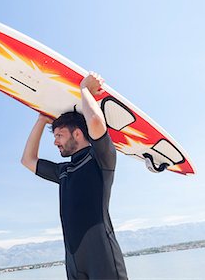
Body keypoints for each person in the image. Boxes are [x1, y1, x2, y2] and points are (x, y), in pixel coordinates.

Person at [21, 72, 128, 280]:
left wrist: (85, 90)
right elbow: (27, 160)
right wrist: (42, 121)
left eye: (59, 135)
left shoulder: (100, 159)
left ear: (77, 134)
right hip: (73, 259)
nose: (55, 142)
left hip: (102, 257)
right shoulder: (64, 172)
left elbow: (96, 122)